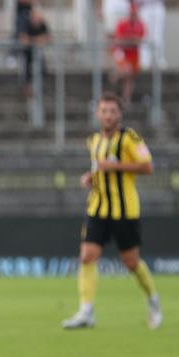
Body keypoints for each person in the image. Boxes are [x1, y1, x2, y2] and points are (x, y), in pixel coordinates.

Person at [62, 92, 161, 330]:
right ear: (97, 114)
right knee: (87, 256)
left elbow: (148, 167)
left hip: (125, 209)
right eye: (104, 111)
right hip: (98, 207)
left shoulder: (130, 137)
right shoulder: (94, 140)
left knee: (131, 262)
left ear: (120, 114)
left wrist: (115, 166)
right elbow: (101, 170)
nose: (108, 115)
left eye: (112, 111)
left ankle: (153, 300)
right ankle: (86, 311)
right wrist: (91, 177)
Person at [135, 0, 170, 70]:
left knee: (158, 33)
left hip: (157, 5)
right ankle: (145, 61)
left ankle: (159, 59)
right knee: (145, 34)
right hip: (145, 6)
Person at [111, 4, 145, 106]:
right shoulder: (122, 24)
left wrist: (129, 40)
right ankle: (115, 77)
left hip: (133, 54)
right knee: (127, 71)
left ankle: (126, 99)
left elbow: (139, 40)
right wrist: (131, 40)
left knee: (129, 78)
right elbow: (119, 41)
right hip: (122, 52)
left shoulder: (140, 25)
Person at [19, 6, 50, 99]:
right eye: (34, 16)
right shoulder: (26, 23)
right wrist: (37, 40)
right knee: (27, 70)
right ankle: (28, 90)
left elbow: (47, 38)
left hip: (38, 52)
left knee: (42, 68)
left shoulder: (43, 24)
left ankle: (38, 89)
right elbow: (24, 39)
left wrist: (32, 40)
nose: (36, 18)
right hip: (28, 52)